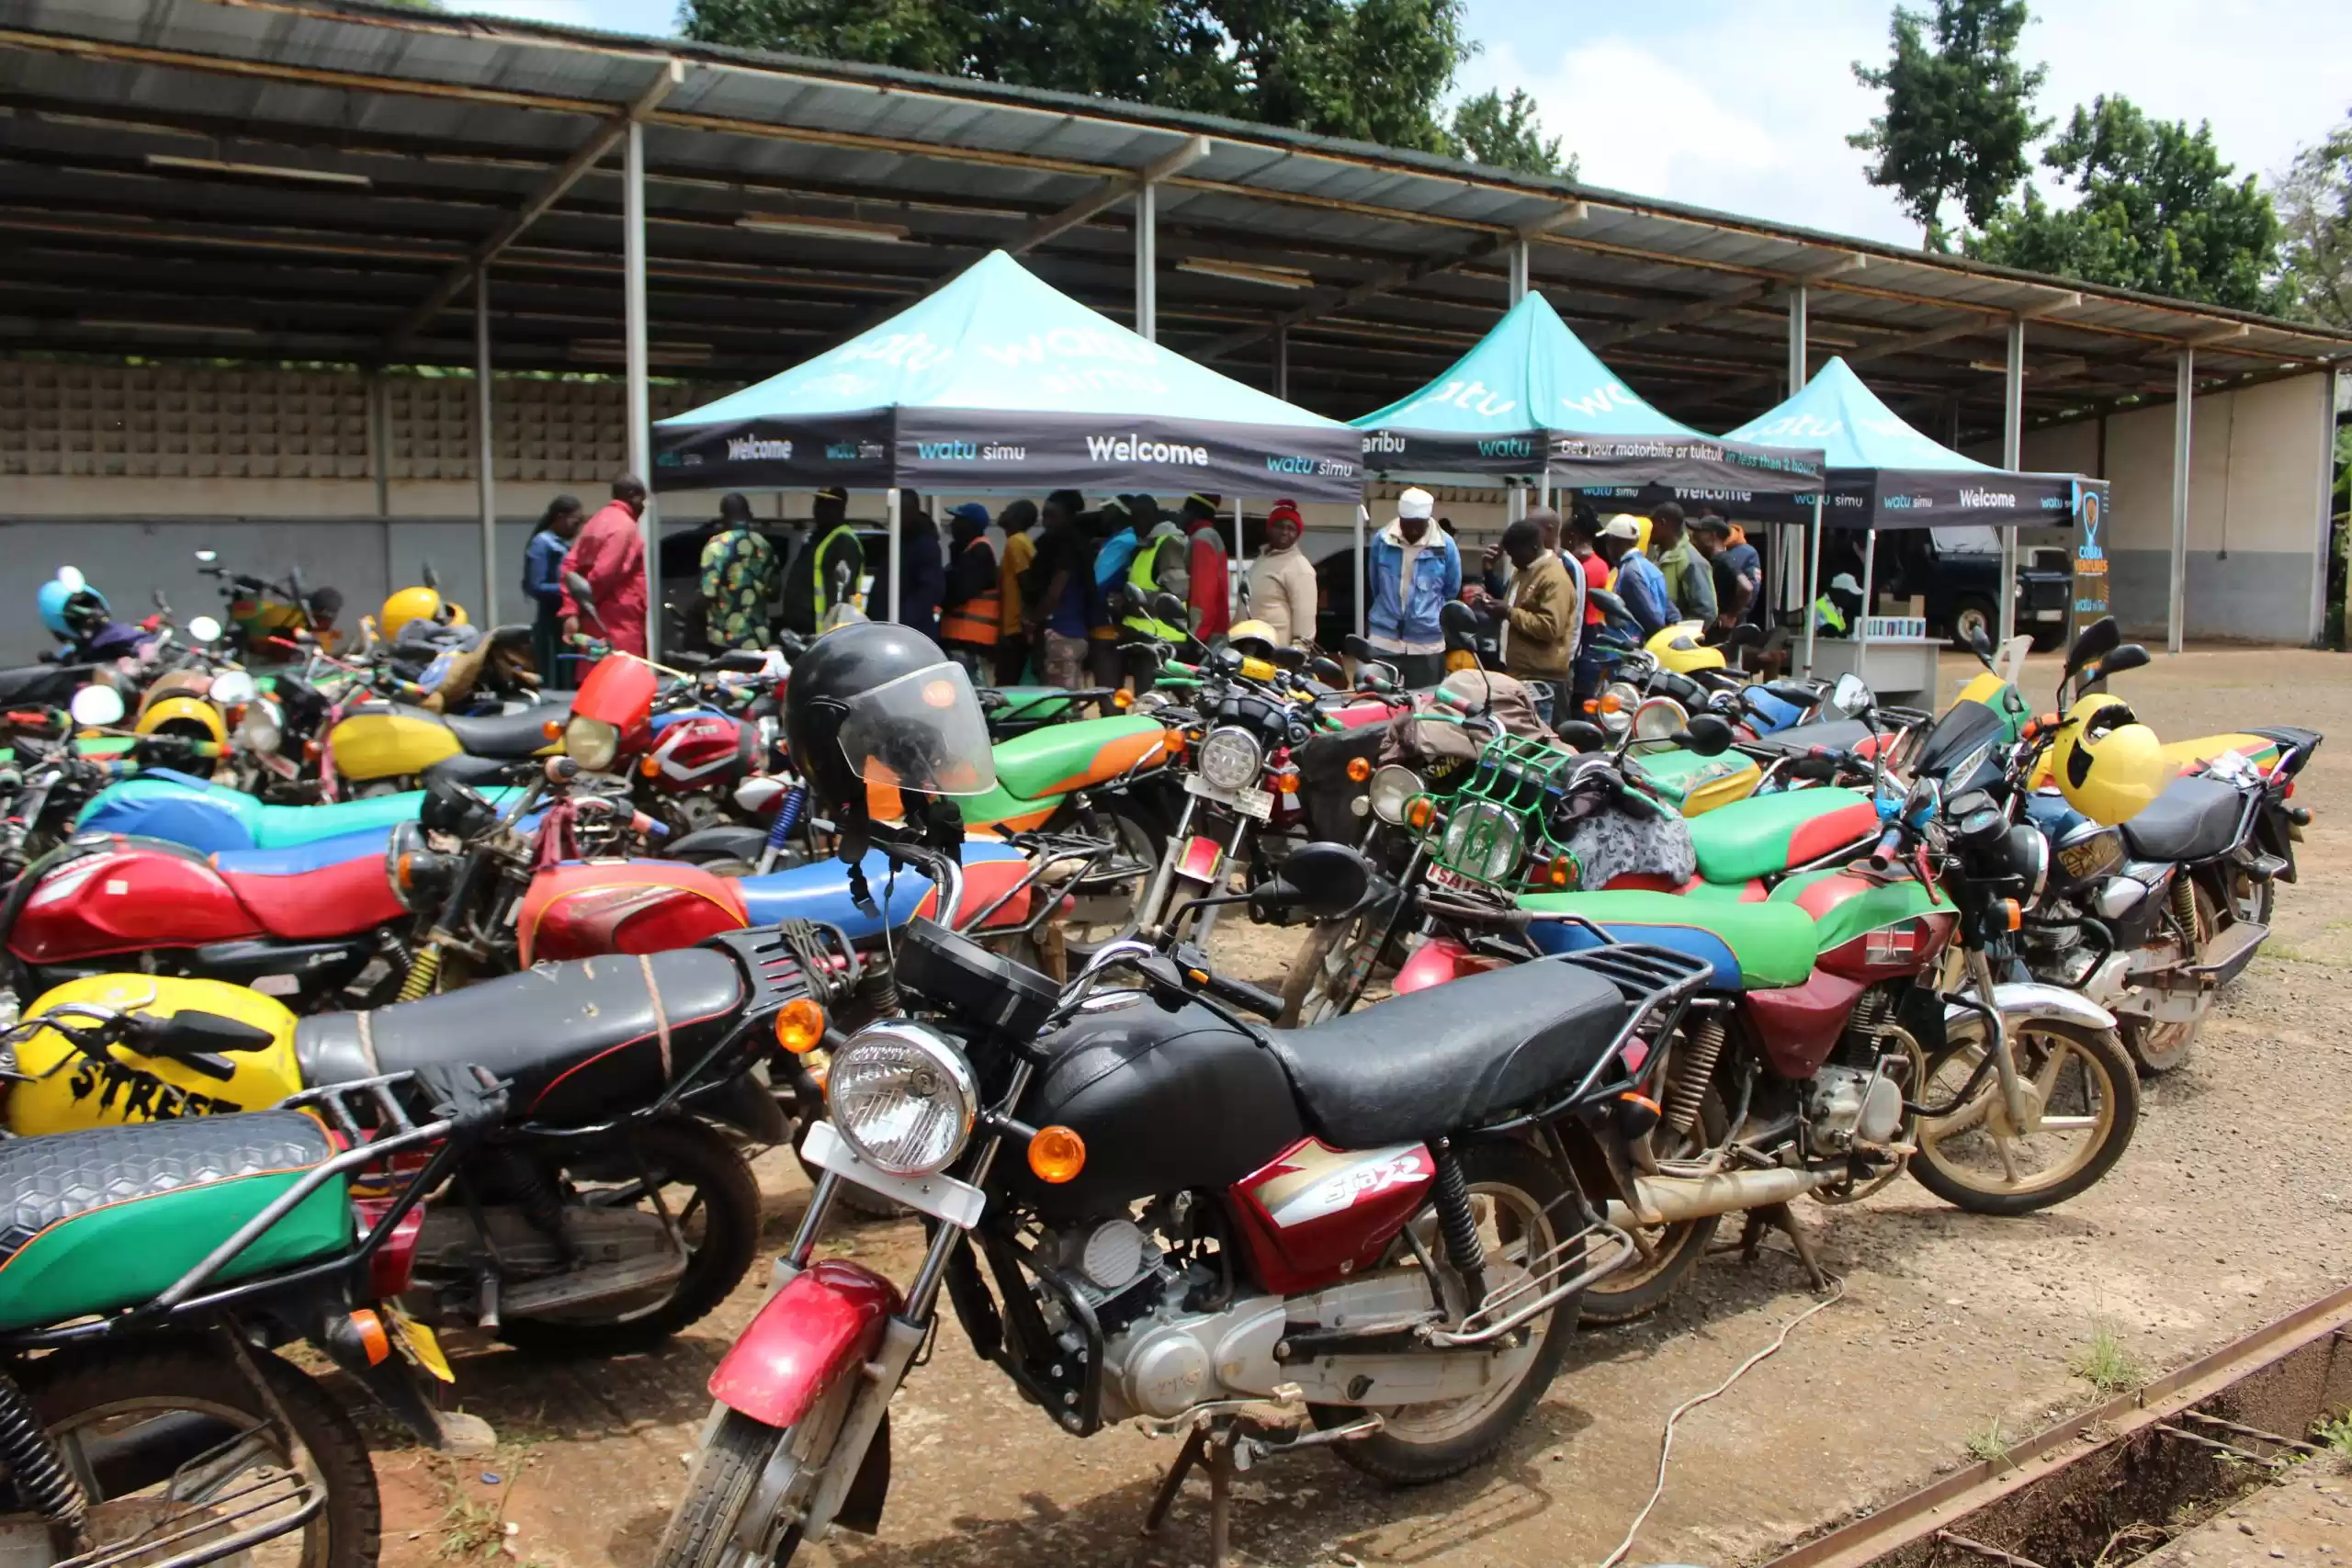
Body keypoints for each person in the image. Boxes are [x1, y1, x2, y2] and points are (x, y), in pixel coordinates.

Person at [1466, 519, 1573, 722]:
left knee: (1538, 738)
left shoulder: (1554, 578)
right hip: (1518, 673)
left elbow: (1550, 628)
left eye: (1515, 555)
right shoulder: (1523, 570)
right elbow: (1515, 610)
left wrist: (1509, 612)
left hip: (1542, 681)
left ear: (1533, 548)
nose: (1513, 561)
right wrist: (1495, 605)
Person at [1364, 487, 1460, 689]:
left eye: (1419, 525)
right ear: (1400, 519)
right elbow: (1376, 585)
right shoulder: (1382, 540)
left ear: (1428, 520)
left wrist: (1429, 615)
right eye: (1408, 525)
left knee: (1423, 701)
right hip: (1384, 639)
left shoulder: (1445, 546)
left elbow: (1451, 590)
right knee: (1377, 699)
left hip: (1427, 642)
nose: (1413, 531)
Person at [560, 474, 650, 659]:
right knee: (622, 671)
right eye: (642, 500)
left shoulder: (594, 522)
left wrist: (572, 610)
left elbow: (569, 568)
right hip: (618, 620)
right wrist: (586, 605)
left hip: (593, 619)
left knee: (594, 671)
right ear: (632, 496)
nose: (643, 506)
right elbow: (603, 574)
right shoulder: (625, 527)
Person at [1027, 491, 1093, 690]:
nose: (1046, 522)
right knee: (1067, 695)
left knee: (1060, 698)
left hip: (1061, 633)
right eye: (1044, 516)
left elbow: (1056, 590)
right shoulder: (1077, 542)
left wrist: (1033, 620)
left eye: (1052, 516)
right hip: (1073, 632)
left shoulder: (1065, 545)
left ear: (1069, 516)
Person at [780, 486, 866, 637]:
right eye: (818, 502)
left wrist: (835, 632)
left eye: (826, 504)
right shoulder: (817, 538)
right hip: (803, 631)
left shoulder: (843, 541)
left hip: (824, 633)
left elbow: (843, 593)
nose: (818, 509)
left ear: (840, 508)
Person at [698, 492, 777, 653]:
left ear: (723, 517)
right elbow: (775, 594)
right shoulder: (764, 545)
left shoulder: (716, 546)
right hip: (758, 640)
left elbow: (707, 594)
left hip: (725, 641)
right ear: (750, 515)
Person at [522, 493, 582, 682]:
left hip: (565, 623)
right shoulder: (542, 544)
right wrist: (569, 589)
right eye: (575, 521)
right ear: (560, 517)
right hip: (551, 625)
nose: (577, 527)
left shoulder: (562, 545)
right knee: (555, 678)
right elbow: (535, 586)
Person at [938, 502, 1001, 673]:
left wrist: (939, 596)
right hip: (962, 639)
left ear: (970, 525)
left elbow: (960, 592)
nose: (952, 525)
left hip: (969, 641)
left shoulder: (979, 552)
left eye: (957, 520)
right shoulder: (968, 552)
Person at [1248, 498, 1318, 647]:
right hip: (1251, 649)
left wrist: (1297, 654)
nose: (1285, 532)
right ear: (1269, 528)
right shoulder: (1262, 558)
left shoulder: (1300, 568)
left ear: (1297, 534)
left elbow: (1305, 627)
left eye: (1291, 528)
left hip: (1276, 654)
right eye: (1279, 526)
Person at [1565, 506, 1613, 705]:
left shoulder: (1581, 566)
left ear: (1573, 535)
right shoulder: (1599, 565)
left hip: (1585, 639)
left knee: (1581, 702)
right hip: (1589, 638)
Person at [1600, 513, 1675, 639]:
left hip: (1631, 646)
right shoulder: (1649, 567)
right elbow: (1671, 612)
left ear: (1615, 542)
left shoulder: (1629, 572)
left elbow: (1653, 620)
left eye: (1608, 542)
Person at [1650, 502, 1717, 625]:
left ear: (1663, 523)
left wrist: (1677, 630)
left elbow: (1706, 612)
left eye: (1652, 524)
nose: (1649, 529)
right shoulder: (1659, 555)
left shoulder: (1692, 561)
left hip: (1676, 635)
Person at [994, 498, 1038, 686]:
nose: (1002, 513)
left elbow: (1026, 583)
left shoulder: (1016, 542)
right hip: (1016, 627)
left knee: (1006, 685)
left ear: (1016, 516)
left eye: (1007, 509)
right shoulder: (1021, 541)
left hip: (1015, 628)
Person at [1693, 512, 1759, 635]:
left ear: (1711, 536)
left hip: (1721, 629)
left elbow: (1747, 588)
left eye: (1698, 533)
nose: (1694, 538)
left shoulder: (1723, 559)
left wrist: (1731, 615)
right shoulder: (1713, 559)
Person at [1177, 493, 1230, 642]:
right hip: (1212, 631)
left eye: (1185, 510)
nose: (1181, 514)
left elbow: (1203, 593)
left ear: (1194, 513)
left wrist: (1196, 636)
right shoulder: (1205, 536)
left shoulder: (1202, 538)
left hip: (1207, 636)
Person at [895, 490, 944, 643]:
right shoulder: (900, 542)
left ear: (913, 511)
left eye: (901, 511)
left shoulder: (924, 545)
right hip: (895, 627)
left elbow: (928, 591)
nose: (896, 517)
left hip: (911, 633)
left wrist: (901, 621)